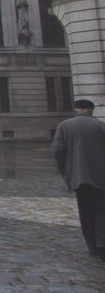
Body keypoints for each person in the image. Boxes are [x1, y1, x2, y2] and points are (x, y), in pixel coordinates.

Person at [51, 99, 105, 258]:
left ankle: (92, 246)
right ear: (91, 110)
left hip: (77, 178)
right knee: (101, 210)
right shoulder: (100, 126)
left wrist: (65, 171)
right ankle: (102, 244)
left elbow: (57, 151)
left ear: (76, 110)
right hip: (100, 176)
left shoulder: (64, 126)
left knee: (85, 211)